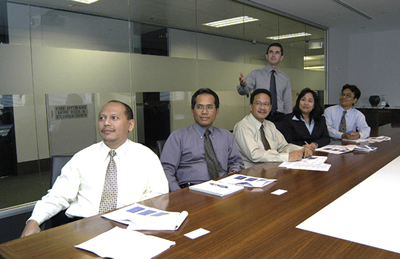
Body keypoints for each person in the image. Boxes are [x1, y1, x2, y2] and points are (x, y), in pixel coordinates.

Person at [21, 100, 168, 237]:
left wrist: (134, 220)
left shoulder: (146, 157)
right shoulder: (83, 157)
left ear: (130, 125)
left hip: (130, 226)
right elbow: (58, 195)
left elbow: (158, 196)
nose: (106, 123)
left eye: (114, 118)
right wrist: (34, 221)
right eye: (102, 118)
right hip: (81, 227)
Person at [161, 88, 244, 192]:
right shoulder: (178, 137)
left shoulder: (227, 136)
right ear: (192, 111)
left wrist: (233, 173)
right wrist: (178, 194)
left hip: (223, 188)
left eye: (209, 107)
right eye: (199, 107)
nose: (204, 112)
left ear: (217, 111)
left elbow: (236, 162)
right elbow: (166, 170)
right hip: (190, 191)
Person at [233, 89, 312, 168]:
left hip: (272, 169)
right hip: (252, 173)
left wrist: (301, 149)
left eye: (266, 104)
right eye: (258, 103)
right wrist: (287, 157)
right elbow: (255, 154)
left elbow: (283, 146)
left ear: (270, 107)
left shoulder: (270, 125)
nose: (262, 107)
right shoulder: (242, 127)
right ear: (251, 106)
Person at [237, 43, 292, 122]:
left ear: (281, 57)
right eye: (271, 52)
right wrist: (243, 85)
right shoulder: (255, 74)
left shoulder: (285, 78)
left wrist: (289, 119)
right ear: (266, 56)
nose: (273, 55)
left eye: (277, 53)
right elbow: (243, 91)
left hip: (279, 118)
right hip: (260, 115)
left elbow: (287, 101)